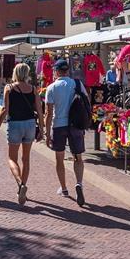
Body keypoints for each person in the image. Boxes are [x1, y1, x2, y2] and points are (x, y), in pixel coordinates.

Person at [0, 63, 44, 206]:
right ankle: (22, 188)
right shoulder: (33, 89)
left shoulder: (9, 88)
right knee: (26, 159)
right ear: (27, 73)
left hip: (15, 124)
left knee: (11, 158)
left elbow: (5, 110)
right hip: (29, 124)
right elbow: (40, 111)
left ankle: (21, 185)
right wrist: (42, 128)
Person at [44, 59, 88, 206]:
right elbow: (86, 102)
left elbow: (48, 113)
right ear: (67, 70)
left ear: (56, 71)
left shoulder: (51, 88)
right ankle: (79, 183)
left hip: (58, 126)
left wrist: (46, 133)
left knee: (59, 159)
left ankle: (64, 189)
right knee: (78, 157)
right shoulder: (77, 84)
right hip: (75, 125)